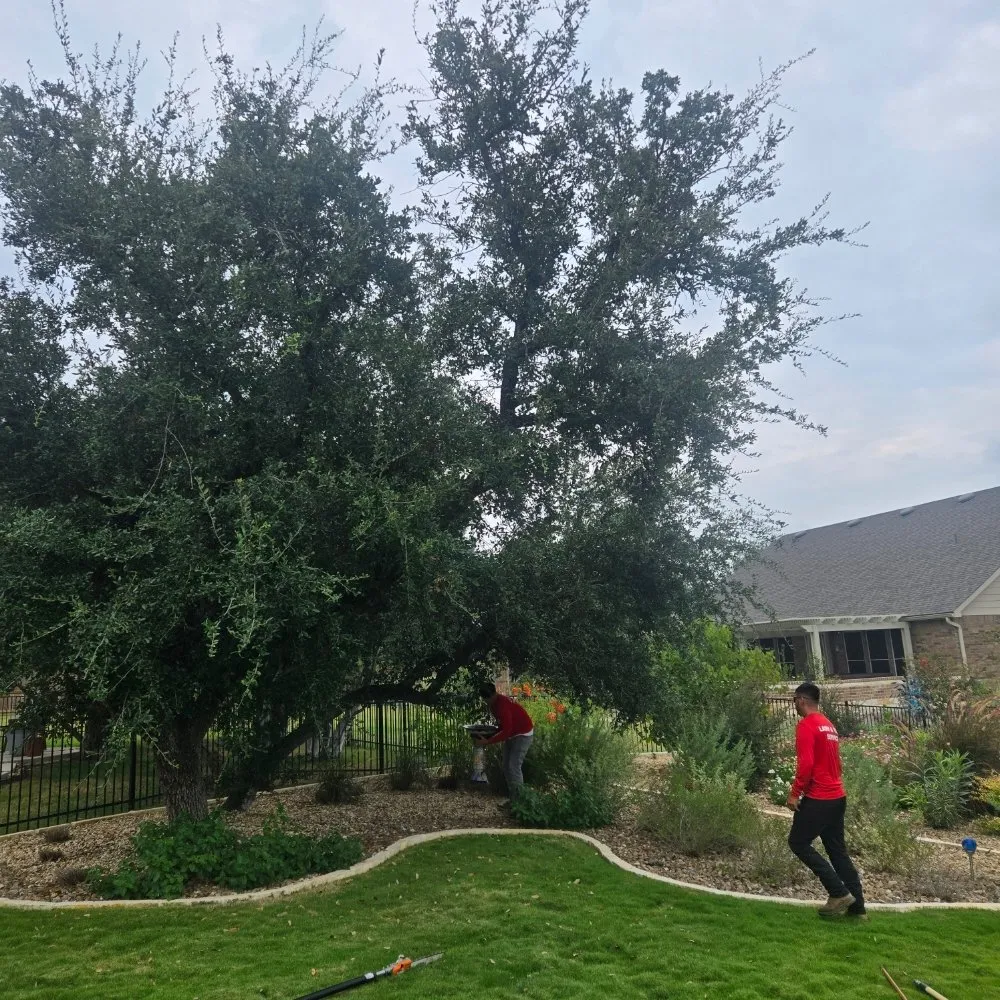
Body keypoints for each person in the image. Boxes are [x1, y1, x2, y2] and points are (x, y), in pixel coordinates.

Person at [786, 681, 867, 920]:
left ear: (801, 700)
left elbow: (807, 764)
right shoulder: (828, 725)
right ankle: (858, 909)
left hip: (819, 798)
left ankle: (838, 892)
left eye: (794, 701)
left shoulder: (807, 725)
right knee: (837, 852)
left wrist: (794, 793)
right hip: (837, 797)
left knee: (798, 842)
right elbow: (836, 763)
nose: (795, 706)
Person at [474, 681, 534, 797]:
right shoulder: (494, 704)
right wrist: (489, 735)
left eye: (486, 699)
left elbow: (506, 731)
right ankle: (513, 797)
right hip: (512, 733)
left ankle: (520, 802)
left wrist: (487, 741)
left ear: (491, 695)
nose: (485, 702)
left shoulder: (502, 705)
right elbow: (503, 727)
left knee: (513, 766)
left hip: (523, 734)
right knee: (506, 766)